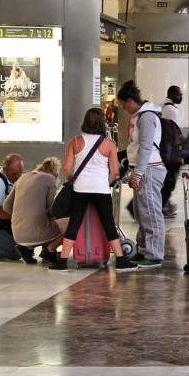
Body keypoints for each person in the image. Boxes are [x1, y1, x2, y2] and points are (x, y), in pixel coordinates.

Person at [50, 109, 139, 272]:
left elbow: (66, 168)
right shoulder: (109, 144)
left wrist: (75, 180)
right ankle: (120, 260)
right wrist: (105, 183)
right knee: (108, 224)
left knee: (74, 224)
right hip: (101, 189)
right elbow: (114, 172)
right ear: (102, 123)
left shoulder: (75, 142)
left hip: (80, 188)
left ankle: (62, 261)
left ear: (85, 122)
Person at [117, 80, 166, 269]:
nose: (124, 108)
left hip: (150, 169)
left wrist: (137, 174)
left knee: (151, 212)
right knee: (142, 212)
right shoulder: (140, 116)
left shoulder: (146, 117)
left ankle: (154, 254)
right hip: (142, 168)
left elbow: (146, 146)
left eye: (123, 104)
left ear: (130, 101)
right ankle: (144, 249)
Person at [3, 157, 66, 267]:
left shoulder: (22, 178)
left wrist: (22, 216)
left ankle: (27, 248)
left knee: (43, 222)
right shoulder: (50, 179)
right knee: (73, 224)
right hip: (36, 234)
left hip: (17, 235)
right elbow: (53, 209)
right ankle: (49, 250)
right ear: (54, 173)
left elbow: (6, 206)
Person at [160, 85, 185, 218]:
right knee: (169, 180)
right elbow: (175, 134)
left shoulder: (162, 106)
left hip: (164, 150)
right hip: (170, 152)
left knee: (165, 180)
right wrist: (179, 153)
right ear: (172, 94)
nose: (181, 97)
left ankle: (165, 204)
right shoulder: (171, 110)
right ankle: (162, 206)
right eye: (179, 95)